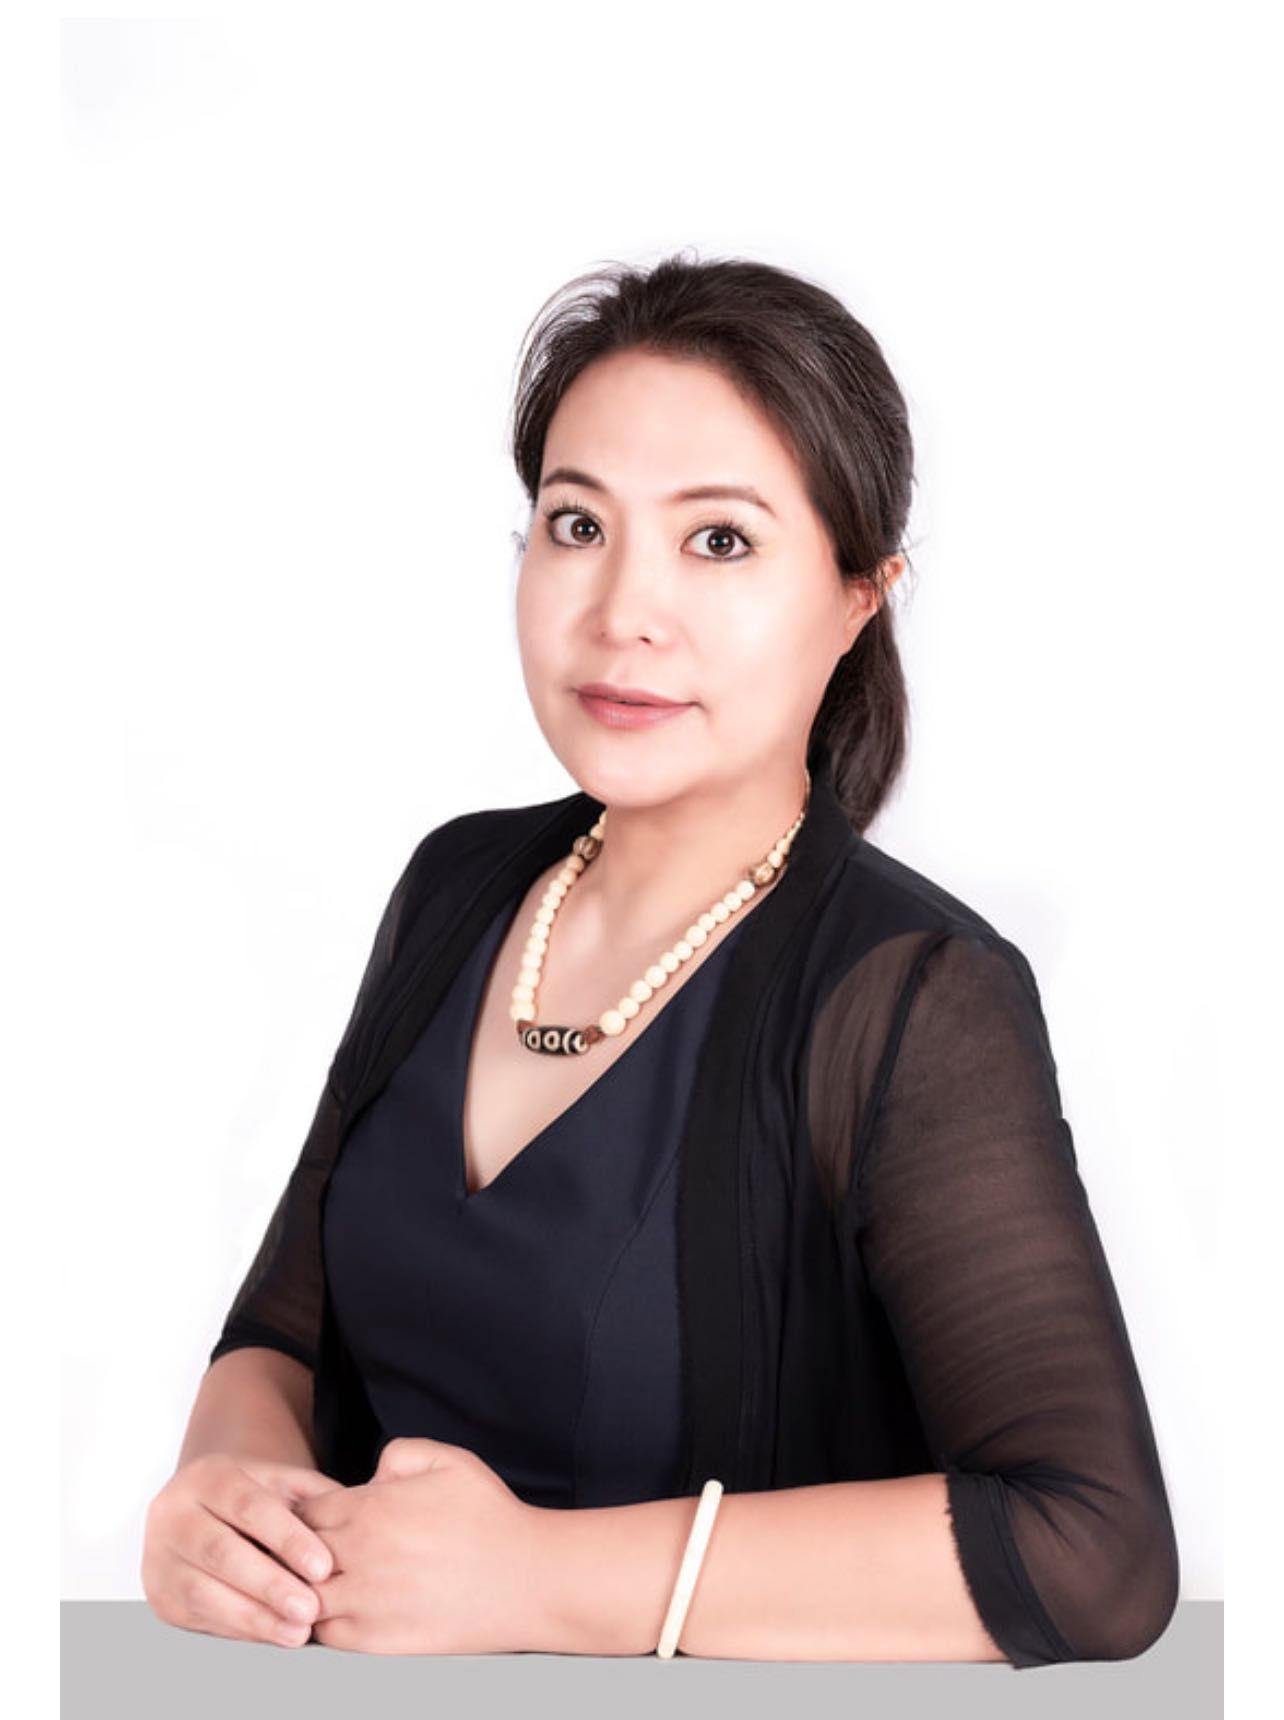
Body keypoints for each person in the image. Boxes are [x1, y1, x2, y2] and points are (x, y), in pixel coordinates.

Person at [140, 251, 1180, 1665]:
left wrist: (535, 1583)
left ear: (862, 595)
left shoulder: (913, 992)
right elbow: (286, 1329)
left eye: (721, 541)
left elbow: (1094, 1555)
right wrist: (220, 1492)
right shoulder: (460, 885)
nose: (623, 610)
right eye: (577, 525)